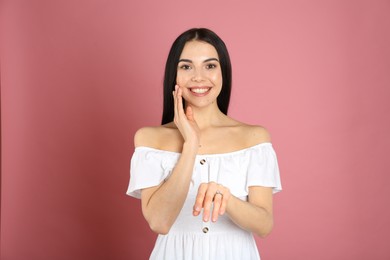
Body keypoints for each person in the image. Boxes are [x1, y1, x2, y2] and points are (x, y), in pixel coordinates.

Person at [126, 28, 282, 259]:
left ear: (223, 73)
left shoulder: (254, 138)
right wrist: (190, 144)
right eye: (186, 66)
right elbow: (160, 222)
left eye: (210, 66)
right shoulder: (150, 139)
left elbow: (264, 225)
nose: (198, 77)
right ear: (174, 75)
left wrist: (225, 199)